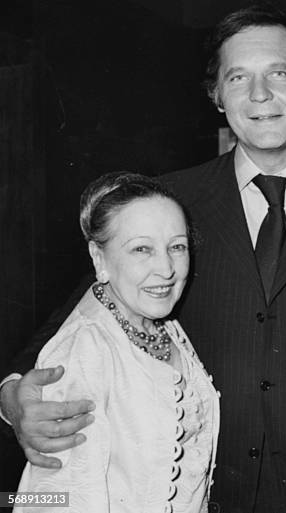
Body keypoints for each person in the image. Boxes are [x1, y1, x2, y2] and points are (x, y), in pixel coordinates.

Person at [1, 5, 286, 512]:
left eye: (279, 72)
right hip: (199, 497)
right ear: (218, 97)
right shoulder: (169, 201)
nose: (259, 94)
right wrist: (13, 391)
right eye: (238, 77)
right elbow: (81, 307)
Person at [13, 173, 220, 512]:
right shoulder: (86, 349)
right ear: (99, 258)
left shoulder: (164, 324)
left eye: (177, 247)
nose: (166, 269)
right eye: (142, 249)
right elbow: (51, 499)